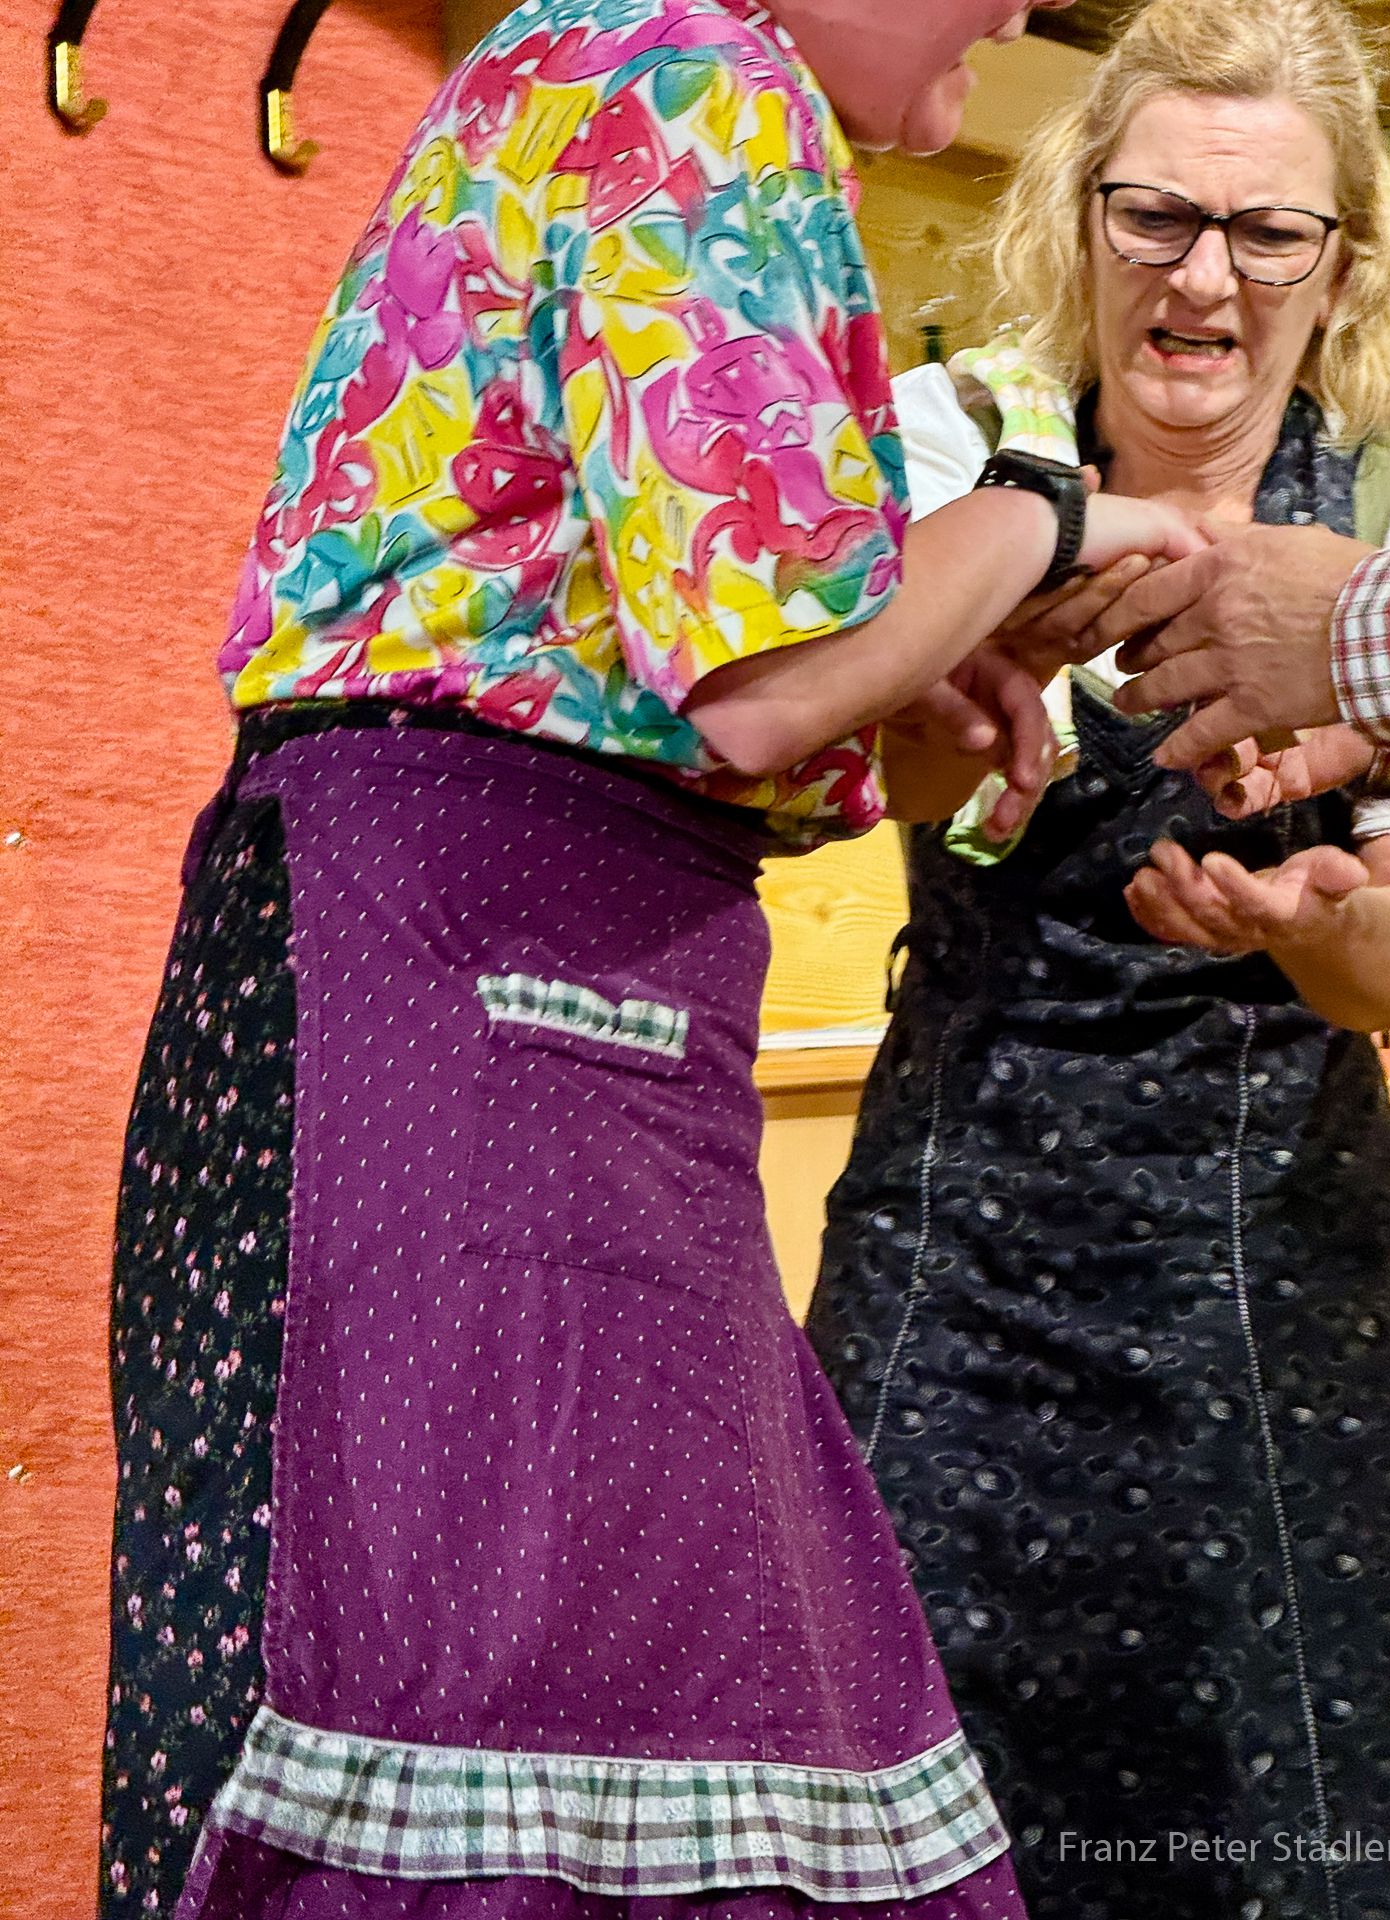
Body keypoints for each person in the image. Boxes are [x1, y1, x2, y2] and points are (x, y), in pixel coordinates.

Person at [95, 0, 1206, 1916]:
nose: (1024, 8)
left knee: (606, 1671)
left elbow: (712, 694)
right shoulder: (691, 62)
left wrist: (920, 660)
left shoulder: (604, 56)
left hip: (491, 977)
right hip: (459, 985)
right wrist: (1034, 515)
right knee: (488, 1662)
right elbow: (765, 685)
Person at [807, 6, 1390, 1919]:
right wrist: (972, 698)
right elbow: (874, 776)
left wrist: (1322, 925)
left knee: (1293, 1822)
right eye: (1157, 215)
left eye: (1269, 234)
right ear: (1078, 216)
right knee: (905, 1814)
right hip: (958, 1244)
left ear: (1344, 263)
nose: (1205, 278)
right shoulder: (951, 448)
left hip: (1281, 1274)